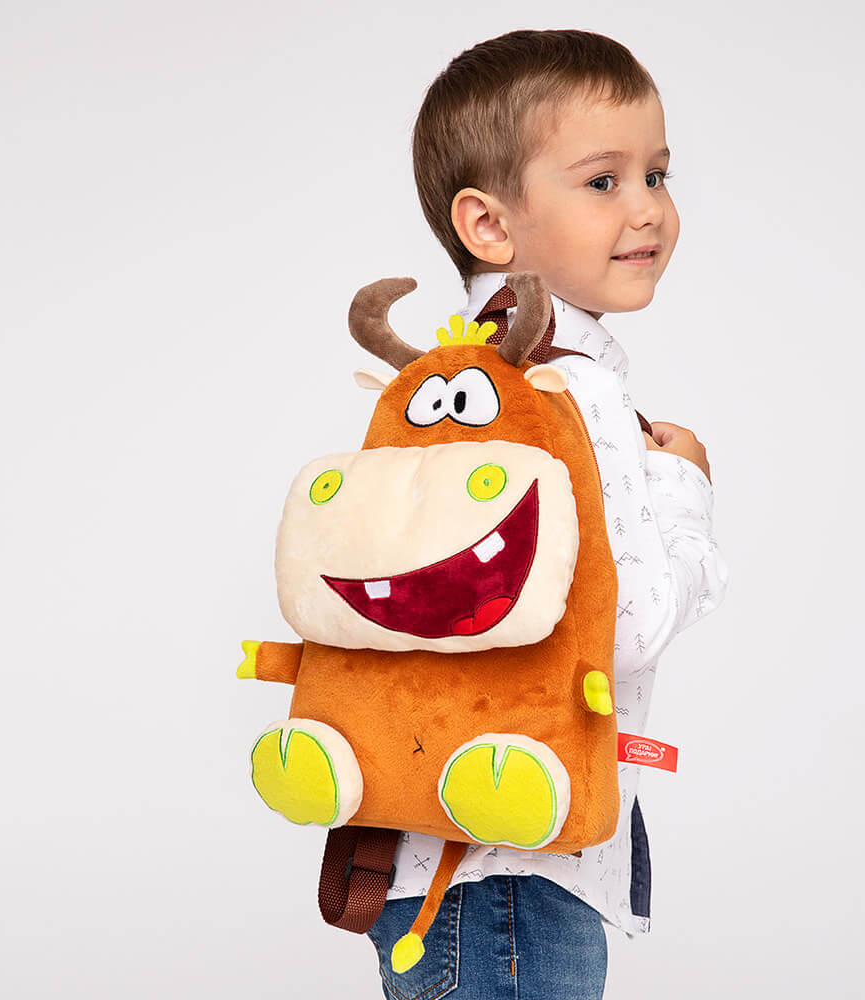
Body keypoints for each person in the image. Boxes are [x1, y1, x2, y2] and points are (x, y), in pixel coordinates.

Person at [365, 29, 730, 1000]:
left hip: (425, 853)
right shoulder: (572, 391)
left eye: (657, 174)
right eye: (603, 181)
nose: (648, 208)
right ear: (488, 225)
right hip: (516, 875)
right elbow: (621, 627)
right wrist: (682, 488)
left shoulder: (447, 384)